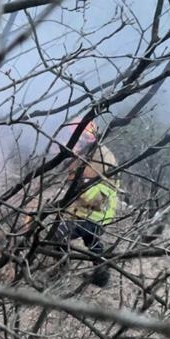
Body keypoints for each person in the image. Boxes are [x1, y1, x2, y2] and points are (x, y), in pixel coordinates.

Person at [51, 116, 119, 287]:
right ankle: (102, 278)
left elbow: (96, 192)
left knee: (56, 236)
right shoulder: (88, 153)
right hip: (92, 213)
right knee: (93, 242)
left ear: (85, 137)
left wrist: (79, 184)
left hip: (93, 212)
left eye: (77, 138)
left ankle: (60, 272)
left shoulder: (101, 158)